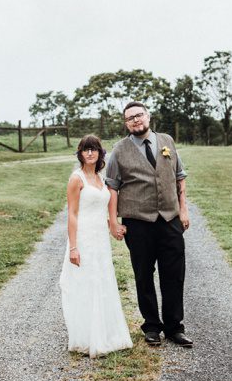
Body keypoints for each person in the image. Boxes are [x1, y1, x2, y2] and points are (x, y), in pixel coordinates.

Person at [104, 101, 192, 348]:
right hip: (138, 223)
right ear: (126, 123)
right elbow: (112, 187)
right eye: (129, 118)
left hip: (169, 220)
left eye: (139, 115)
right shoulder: (119, 150)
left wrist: (183, 210)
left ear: (148, 116)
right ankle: (152, 326)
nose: (135, 120)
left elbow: (179, 178)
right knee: (143, 275)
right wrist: (112, 221)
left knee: (174, 275)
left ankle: (175, 327)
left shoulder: (167, 141)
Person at [59, 134, 134, 357]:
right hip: (83, 237)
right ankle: (87, 336)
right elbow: (72, 214)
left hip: (100, 239)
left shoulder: (101, 179)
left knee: (102, 280)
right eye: (85, 149)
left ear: (100, 153)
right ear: (80, 153)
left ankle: (107, 334)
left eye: (94, 149)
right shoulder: (76, 178)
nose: (90, 153)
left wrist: (115, 226)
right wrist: (73, 247)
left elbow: (107, 209)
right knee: (85, 283)